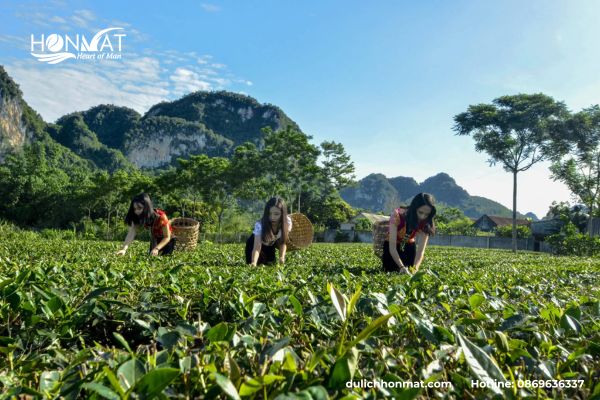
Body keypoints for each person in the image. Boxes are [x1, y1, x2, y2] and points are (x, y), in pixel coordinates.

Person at [382, 192, 436, 274]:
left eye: (426, 214)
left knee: (410, 269)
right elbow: (392, 248)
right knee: (391, 269)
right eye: (420, 212)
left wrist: (415, 268)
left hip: (408, 246)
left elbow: (420, 251)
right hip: (392, 247)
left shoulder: (426, 222)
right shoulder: (397, 215)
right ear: (414, 208)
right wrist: (402, 267)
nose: (422, 217)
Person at [245, 197, 292, 266]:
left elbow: (283, 242)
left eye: (276, 214)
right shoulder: (260, 225)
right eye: (269, 214)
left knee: (270, 264)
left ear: (282, 214)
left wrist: (282, 257)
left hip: (270, 245)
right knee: (256, 265)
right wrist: (253, 262)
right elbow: (257, 247)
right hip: (253, 245)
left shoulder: (287, 222)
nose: (272, 217)